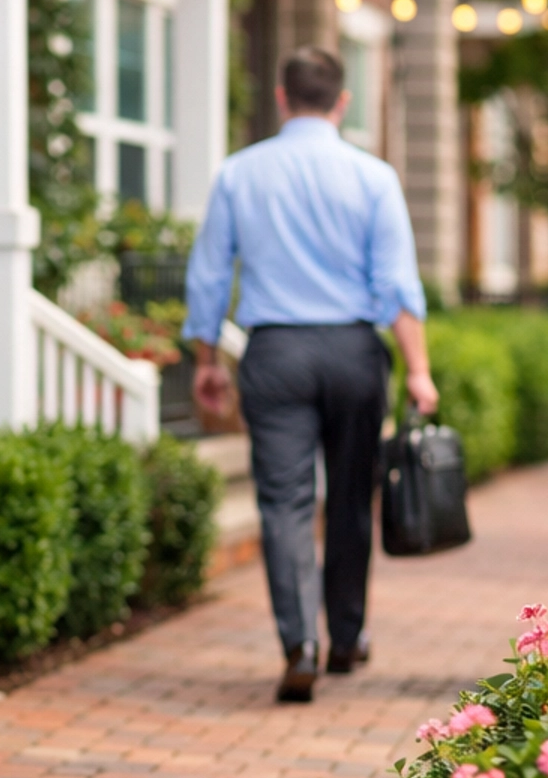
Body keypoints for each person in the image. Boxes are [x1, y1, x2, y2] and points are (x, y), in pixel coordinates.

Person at [185, 45, 438, 704]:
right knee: (351, 500)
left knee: (284, 504)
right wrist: (419, 371)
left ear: (280, 96)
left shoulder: (239, 174)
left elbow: (210, 274)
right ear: (342, 102)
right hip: (354, 354)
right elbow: (397, 287)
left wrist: (207, 361)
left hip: (275, 355)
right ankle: (347, 638)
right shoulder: (374, 177)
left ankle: (300, 644)